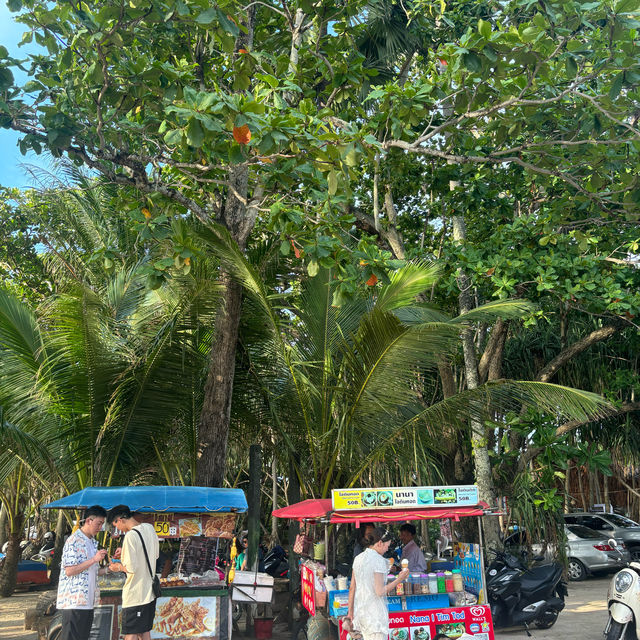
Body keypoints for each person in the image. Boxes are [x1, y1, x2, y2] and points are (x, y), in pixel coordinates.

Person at [56, 505, 109, 640]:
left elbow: (93, 571)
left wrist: (109, 569)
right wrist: (94, 559)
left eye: (102, 524)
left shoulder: (91, 542)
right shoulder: (74, 541)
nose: (100, 528)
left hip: (88, 601)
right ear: (88, 521)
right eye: (98, 523)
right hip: (74, 601)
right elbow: (69, 570)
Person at [346, 527, 410, 640]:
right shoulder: (378, 560)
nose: (386, 549)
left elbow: (352, 588)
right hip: (375, 617)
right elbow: (380, 591)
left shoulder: (358, 559)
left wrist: (350, 613)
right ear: (380, 543)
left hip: (361, 615)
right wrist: (399, 579)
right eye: (386, 546)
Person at [106, 505, 159, 640]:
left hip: (136, 594)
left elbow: (130, 568)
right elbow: (154, 555)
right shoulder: (149, 528)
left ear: (120, 519)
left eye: (116, 525)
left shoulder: (130, 536)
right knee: (144, 631)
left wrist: (117, 567)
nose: (118, 529)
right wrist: (123, 552)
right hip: (150, 593)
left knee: (131, 633)